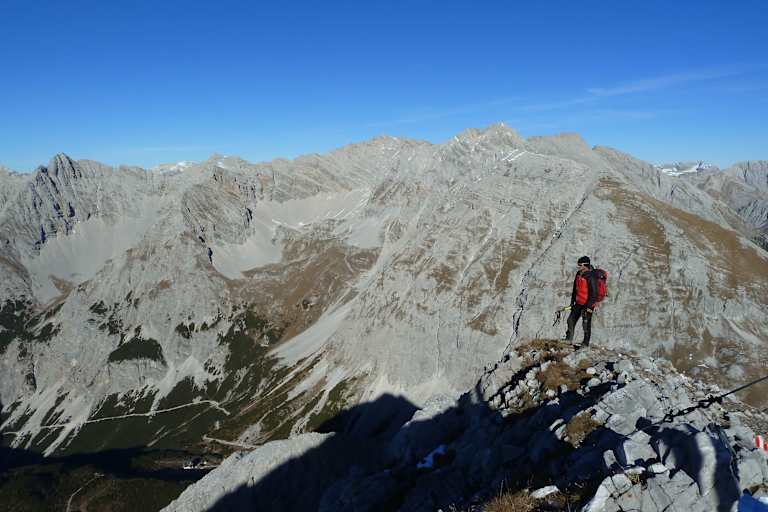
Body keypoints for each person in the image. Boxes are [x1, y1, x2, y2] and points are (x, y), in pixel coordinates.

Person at [565, 256, 599, 348]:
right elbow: (575, 289)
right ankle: (568, 339)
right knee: (570, 320)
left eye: (580, 265)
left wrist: (587, 307)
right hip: (578, 303)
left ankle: (585, 343)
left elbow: (594, 294)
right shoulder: (579, 274)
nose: (578, 266)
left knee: (586, 324)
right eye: (578, 264)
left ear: (585, 265)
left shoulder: (591, 276)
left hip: (588, 305)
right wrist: (572, 302)